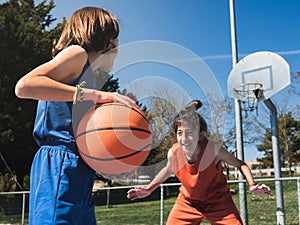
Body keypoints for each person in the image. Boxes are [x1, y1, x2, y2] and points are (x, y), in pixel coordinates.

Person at [15, 7, 136, 225]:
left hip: (79, 167)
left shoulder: (87, 74)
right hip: (60, 163)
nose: (118, 45)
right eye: (114, 37)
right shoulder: (76, 54)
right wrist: (96, 95)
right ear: (101, 36)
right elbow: (24, 86)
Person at [127, 100, 271, 225]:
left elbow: (241, 164)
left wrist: (252, 185)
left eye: (189, 133)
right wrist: (149, 189)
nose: (184, 139)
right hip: (188, 202)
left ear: (201, 134)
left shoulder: (213, 150)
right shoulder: (174, 152)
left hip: (218, 201)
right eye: (179, 133)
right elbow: (168, 170)